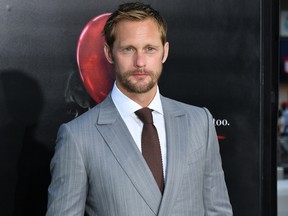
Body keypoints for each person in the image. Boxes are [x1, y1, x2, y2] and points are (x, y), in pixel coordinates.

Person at [46, 2, 233, 215]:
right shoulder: (77, 137)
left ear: (165, 52)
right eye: (128, 49)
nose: (140, 62)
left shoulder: (200, 122)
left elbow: (218, 210)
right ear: (109, 53)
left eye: (150, 49)